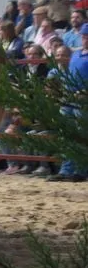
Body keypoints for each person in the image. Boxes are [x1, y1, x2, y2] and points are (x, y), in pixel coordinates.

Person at [47, 23, 88, 182]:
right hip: (69, 98)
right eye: (83, 36)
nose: (84, 39)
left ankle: (80, 169)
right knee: (67, 136)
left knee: (80, 135)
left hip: (83, 99)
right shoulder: (76, 55)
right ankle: (66, 169)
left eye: (86, 37)